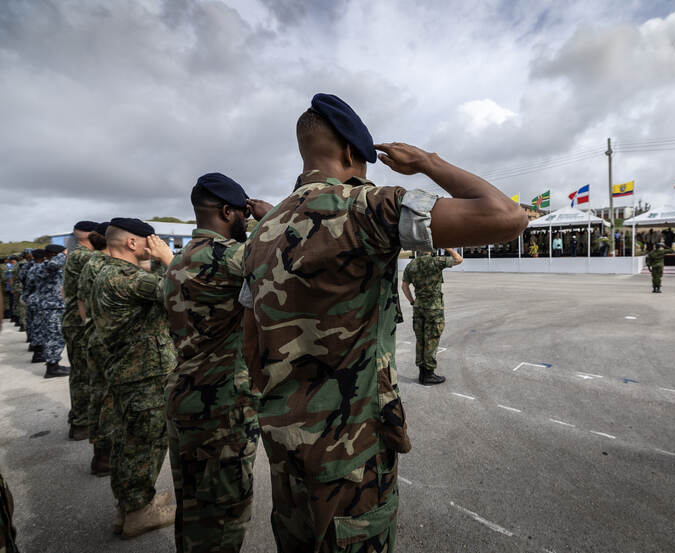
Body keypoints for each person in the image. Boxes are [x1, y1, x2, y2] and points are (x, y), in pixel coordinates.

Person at [241, 93, 527, 553]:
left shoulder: (263, 231)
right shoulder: (368, 208)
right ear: (353, 154)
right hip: (351, 454)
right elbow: (507, 216)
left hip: (284, 447)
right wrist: (428, 161)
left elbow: (250, 342)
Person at [163, 173, 271, 553]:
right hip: (221, 407)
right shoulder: (229, 258)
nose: (246, 218)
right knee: (224, 517)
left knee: (193, 509)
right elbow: (283, 250)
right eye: (241, 212)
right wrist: (266, 215)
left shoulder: (176, 262)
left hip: (184, 395)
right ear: (227, 211)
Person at [91, 219, 177, 538]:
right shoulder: (126, 277)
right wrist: (168, 258)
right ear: (132, 244)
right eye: (148, 241)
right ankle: (137, 512)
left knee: (131, 440)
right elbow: (181, 287)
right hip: (143, 374)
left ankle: (132, 505)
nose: (151, 245)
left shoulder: (107, 271)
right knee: (144, 443)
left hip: (131, 370)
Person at [77, 222, 115, 475]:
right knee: (109, 399)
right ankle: (105, 456)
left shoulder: (92, 263)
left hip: (95, 337)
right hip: (109, 343)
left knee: (99, 395)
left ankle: (101, 455)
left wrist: (91, 327)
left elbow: (80, 300)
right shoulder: (109, 265)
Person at [401, 248, 463, 385]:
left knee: (421, 339)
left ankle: (422, 374)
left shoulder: (411, 265)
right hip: (434, 308)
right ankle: (428, 374)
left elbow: (404, 286)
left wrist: (412, 301)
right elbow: (459, 259)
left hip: (418, 308)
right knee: (432, 339)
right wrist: (448, 247)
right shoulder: (436, 261)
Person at [62, 221, 98, 439]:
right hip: (79, 322)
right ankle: (81, 422)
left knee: (79, 372)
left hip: (75, 320)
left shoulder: (76, 254)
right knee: (83, 375)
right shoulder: (84, 256)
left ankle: (78, 416)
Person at [37, 244, 71, 378]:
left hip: (54, 306)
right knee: (54, 337)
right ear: (54, 255)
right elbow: (54, 265)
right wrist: (64, 253)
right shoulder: (45, 266)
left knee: (55, 336)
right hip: (51, 307)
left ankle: (54, 364)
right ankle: (52, 368)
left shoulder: (48, 267)